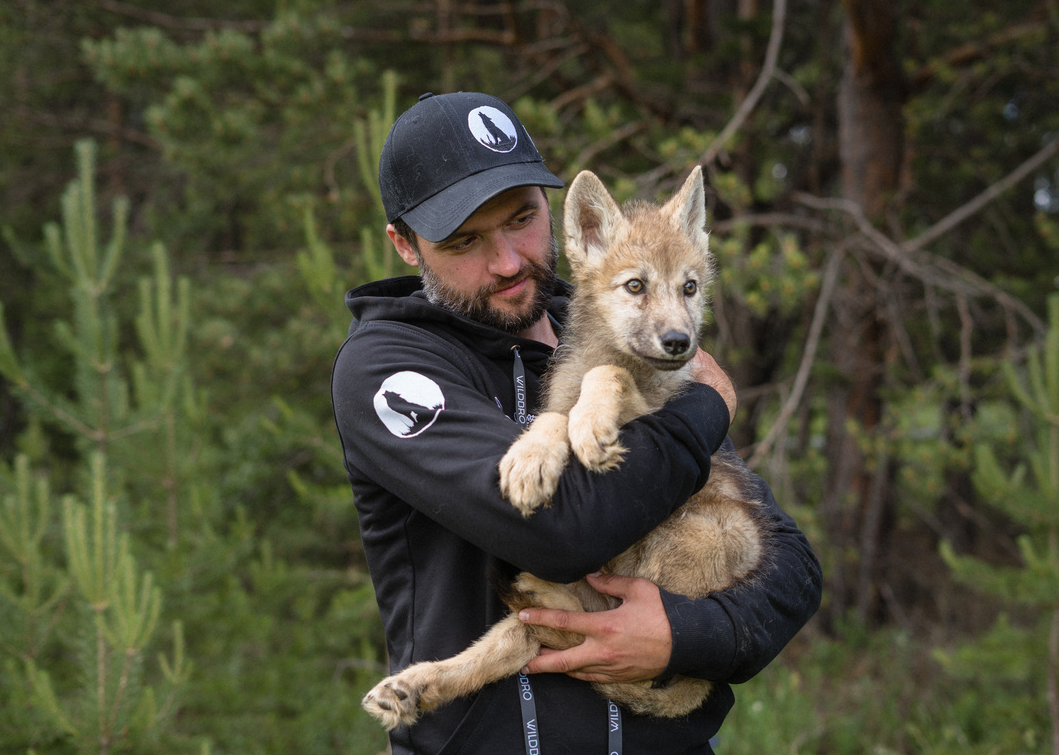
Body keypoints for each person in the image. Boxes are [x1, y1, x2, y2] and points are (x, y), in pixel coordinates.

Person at [331, 91, 821, 755]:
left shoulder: (622, 329)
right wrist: (707, 403)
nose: (507, 260)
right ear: (406, 244)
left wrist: (685, 634)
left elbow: (790, 566)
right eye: (465, 240)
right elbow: (562, 532)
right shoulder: (390, 370)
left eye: (522, 218)